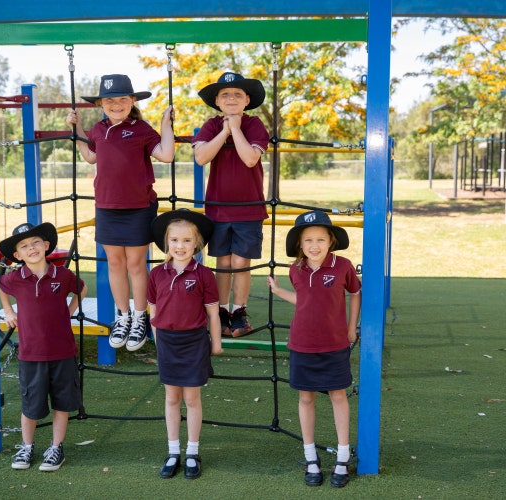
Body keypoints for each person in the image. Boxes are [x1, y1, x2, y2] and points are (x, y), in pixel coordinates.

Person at [66, 74, 174, 352]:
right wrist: (77, 132)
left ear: (133, 101)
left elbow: (166, 155)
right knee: (114, 263)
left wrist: (165, 125)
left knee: (136, 264)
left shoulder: (141, 129)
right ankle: (123, 317)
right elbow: (91, 157)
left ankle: (140, 317)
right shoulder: (98, 129)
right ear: (101, 103)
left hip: (138, 207)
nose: (116, 105)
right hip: (106, 206)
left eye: (122, 99)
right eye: (110, 100)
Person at [266, 210, 361, 488]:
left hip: (334, 344)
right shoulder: (295, 269)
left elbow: (355, 293)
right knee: (306, 398)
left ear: (331, 241)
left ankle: (343, 457)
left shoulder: (342, 266)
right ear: (300, 244)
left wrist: (351, 328)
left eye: (320, 239)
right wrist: (279, 291)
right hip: (302, 344)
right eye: (308, 240)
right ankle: (310, 458)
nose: (314, 245)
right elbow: (306, 301)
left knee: (337, 395)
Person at [0, 222, 88, 472]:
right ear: (18, 255)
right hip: (31, 354)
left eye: (36, 242)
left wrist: (67, 313)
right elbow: (1, 286)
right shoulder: (15, 278)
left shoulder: (62, 275)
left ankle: (56, 447)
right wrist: (8, 310)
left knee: (62, 403)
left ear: (46, 245)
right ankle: (27, 446)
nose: (32, 248)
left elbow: (81, 288)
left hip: (62, 352)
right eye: (24, 246)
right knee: (31, 405)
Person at [147, 209, 223, 480]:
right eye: (175, 240)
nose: (180, 246)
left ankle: (192, 451)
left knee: (191, 398)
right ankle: (173, 452)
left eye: (187, 241)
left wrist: (216, 344)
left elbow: (213, 313)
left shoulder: (204, 274)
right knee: (171, 397)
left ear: (197, 244)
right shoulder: (156, 274)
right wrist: (158, 344)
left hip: (194, 342)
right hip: (167, 342)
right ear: (167, 242)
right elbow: (153, 313)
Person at [193, 72, 269, 338]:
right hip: (218, 208)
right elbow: (201, 157)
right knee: (222, 262)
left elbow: (250, 159)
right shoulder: (212, 126)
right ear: (217, 101)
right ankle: (221, 311)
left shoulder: (255, 125)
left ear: (247, 99)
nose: (231, 98)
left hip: (249, 207)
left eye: (238, 94)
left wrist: (235, 129)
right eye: (225, 94)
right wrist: (224, 129)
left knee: (241, 262)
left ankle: (239, 311)